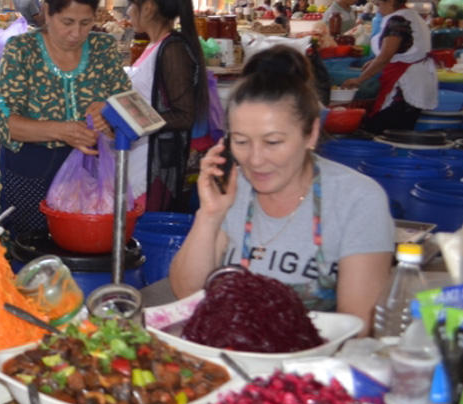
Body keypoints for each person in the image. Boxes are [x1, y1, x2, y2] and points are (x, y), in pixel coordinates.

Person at [168, 47, 393, 328]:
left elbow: (354, 326)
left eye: (273, 142)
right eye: (241, 141)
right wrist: (209, 216)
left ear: (310, 133)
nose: (256, 159)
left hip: (313, 365)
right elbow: (186, 294)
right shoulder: (233, 189)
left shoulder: (357, 199)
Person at [0, 0, 132, 238]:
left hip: (89, 184)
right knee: (28, 261)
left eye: (86, 23)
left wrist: (112, 113)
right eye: (67, 22)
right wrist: (63, 131)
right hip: (28, 178)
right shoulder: (22, 51)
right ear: (47, 13)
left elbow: (138, 114)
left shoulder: (104, 50)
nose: (76, 33)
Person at [124, 0, 209, 213]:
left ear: (148, 7)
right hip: (139, 161)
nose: (129, 11)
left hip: (156, 169)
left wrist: (136, 121)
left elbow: (184, 115)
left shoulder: (173, 49)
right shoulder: (154, 46)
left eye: (132, 4)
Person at [342, 0, 438, 132]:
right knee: (399, 130)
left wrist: (359, 80)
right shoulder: (411, 15)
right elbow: (400, 50)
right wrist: (374, 61)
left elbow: (385, 57)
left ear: (391, 0)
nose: (378, 10)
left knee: (385, 129)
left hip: (406, 83)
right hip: (417, 77)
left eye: (379, 4)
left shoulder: (398, 21)